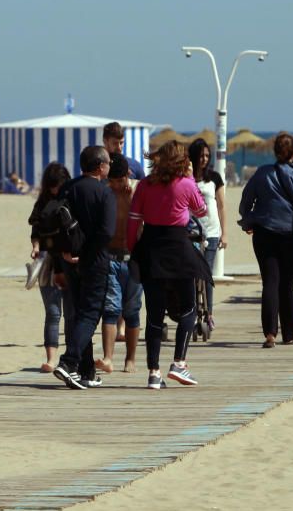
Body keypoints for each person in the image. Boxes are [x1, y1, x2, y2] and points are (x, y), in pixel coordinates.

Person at [128, 141, 210, 389]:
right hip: (179, 249)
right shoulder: (186, 184)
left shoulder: (144, 185)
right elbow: (202, 210)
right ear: (182, 161)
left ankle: (154, 373)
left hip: (152, 250)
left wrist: (133, 250)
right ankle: (179, 363)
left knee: (154, 316)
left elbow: (133, 223)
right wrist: (190, 179)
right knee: (188, 310)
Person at [239, 133, 293, 348]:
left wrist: (248, 221)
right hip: (289, 234)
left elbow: (245, 202)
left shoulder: (261, 173)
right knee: (286, 284)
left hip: (264, 234)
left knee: (270, 281)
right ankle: (290, 333)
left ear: (274, 151)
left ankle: (270, 333)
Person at [52, 146, 115, 391]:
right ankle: (69, 363)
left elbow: (55, 222)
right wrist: (86, 254)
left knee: (80, 315)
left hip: (69, 260)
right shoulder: (104, 193)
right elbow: (107, 232)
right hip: (95, 261)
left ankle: (86, 371)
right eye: (108, 163)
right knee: (90, 314)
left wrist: (65, 255)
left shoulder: (69, 187)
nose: (109, 166)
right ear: (100, 167)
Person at [95, 155, 139, 374]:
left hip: (133, 259)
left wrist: (132, 200)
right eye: (111, 181)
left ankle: (130, 359)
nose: (114, 185)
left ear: (127, 176)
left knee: (132, 311)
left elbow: (145, 223)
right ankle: (108, 357)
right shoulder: (105, 193)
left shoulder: (137, 193)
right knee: (110, 309)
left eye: (118, 181)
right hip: (110, 257)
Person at [27, 163, 73, 373]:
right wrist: (36, 247)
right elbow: (35, 231)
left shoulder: (72, 200)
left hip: (69, 260)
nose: (56, 190)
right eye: (53, 186)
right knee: (53, 313)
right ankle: (51, 358)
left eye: (59, 185)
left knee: (72, 313)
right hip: (47, 261)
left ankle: (72, 356)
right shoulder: (42, 203)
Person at [189, 138, 227, 327]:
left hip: (211, 231)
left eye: (206, 155)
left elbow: (221, 206)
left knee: (207, 273)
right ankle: (193, 311)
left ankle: (209, 312)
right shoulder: (186, 178)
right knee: (191, 274)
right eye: (201, 155)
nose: (204, 159)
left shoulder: (214, 178)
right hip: (191, 232)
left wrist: (224, 233)